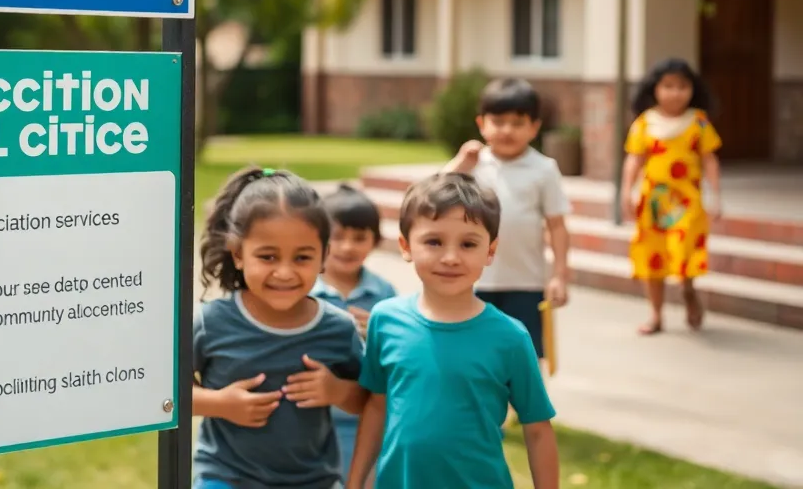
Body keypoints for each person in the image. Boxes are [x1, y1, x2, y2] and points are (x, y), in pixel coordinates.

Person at [346, 173, 560, 489]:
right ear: (406, 246)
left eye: (468, 244)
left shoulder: (511, 337)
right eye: (434, 242)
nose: (450, 258)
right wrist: (354, 482)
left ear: (490, 251)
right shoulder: (385, 320)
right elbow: (377, 406)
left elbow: (538, 429)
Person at [193, 167, 368, 489]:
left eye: (302, 258)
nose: (285, 272)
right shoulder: (211, 322)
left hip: (314, 482)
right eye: (268, 257)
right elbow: (166, 395)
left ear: (324, 256)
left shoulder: (338, 328)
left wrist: (337, 391)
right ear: (238, 254)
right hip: (225, 477)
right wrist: (220, 404)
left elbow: (368, 398)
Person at [444, 77, 571, 364]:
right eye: (498, 121)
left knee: (525, 354)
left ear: (534, 127)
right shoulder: (473, 165)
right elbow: (433, 198)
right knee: (475, 351)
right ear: (481, 123)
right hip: (474, 279)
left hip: (527, 281)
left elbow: (557, 225)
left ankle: (526, 395)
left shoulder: (544, 169)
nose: (507, 130)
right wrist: (460, 165)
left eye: (517, 123)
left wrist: (559, 276)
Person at [621, 57, 722, 334]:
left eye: (682, 86)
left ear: (692, 89)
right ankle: (656, 314)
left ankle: (688, 290)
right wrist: (626, 191)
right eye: (668, 86)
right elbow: (634, 159)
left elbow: (710, 160)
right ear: (655, 88)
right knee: (653, 258)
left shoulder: (699, 122)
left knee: (685, 251)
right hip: (653, 202)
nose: (675, 93)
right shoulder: (644, 123)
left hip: (689, 202)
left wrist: (715, 196)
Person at [311, 185, 397, 482]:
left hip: (368, 420)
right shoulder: (304, 291)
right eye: (337, 237)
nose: (347, 247)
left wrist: (380, 332)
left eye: (359, 238)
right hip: (313, 420)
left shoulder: (384, 294)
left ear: (376, 240)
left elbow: (399, 353)